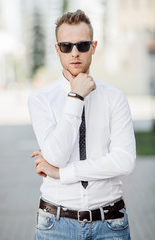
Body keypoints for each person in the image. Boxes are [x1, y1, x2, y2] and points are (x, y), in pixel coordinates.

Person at [28, 9, 136, 240]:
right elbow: (56, 155)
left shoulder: (115, 98)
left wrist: (62, 173)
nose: (74, 53)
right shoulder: (40, 100)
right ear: (57, 49)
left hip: (110, 223)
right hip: (55, 225)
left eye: (82, 45)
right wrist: (76, 97)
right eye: (66, 46)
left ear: (94, 46)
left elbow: (125, 161)